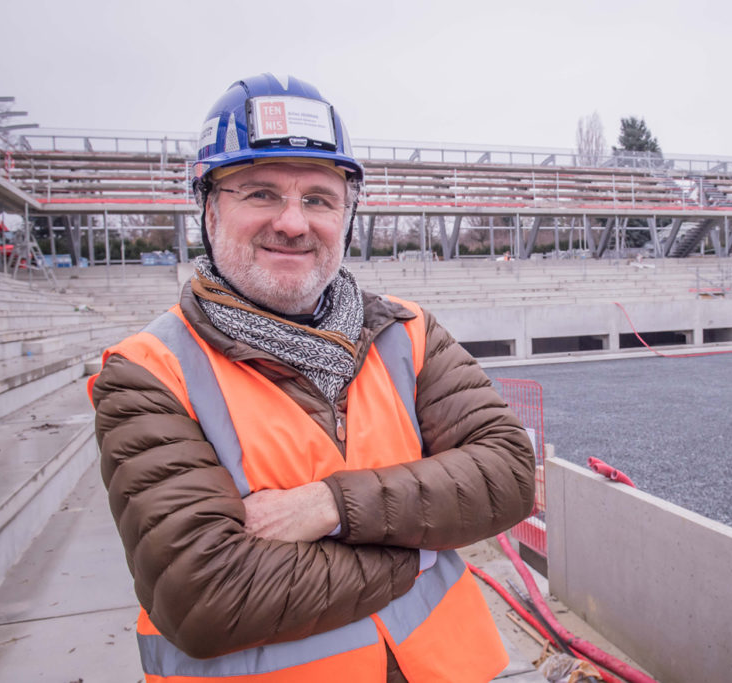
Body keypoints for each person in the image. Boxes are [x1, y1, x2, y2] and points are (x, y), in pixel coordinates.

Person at [89, 73, 536, 683]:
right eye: (261, 193)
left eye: (320, 199)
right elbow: (205, 595)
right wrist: (422, 550)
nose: (294, 223)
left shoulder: (406, 333)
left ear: (346, 215)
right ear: (209, 208)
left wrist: (328, 506)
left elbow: (508, 474)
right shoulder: (149, 373)